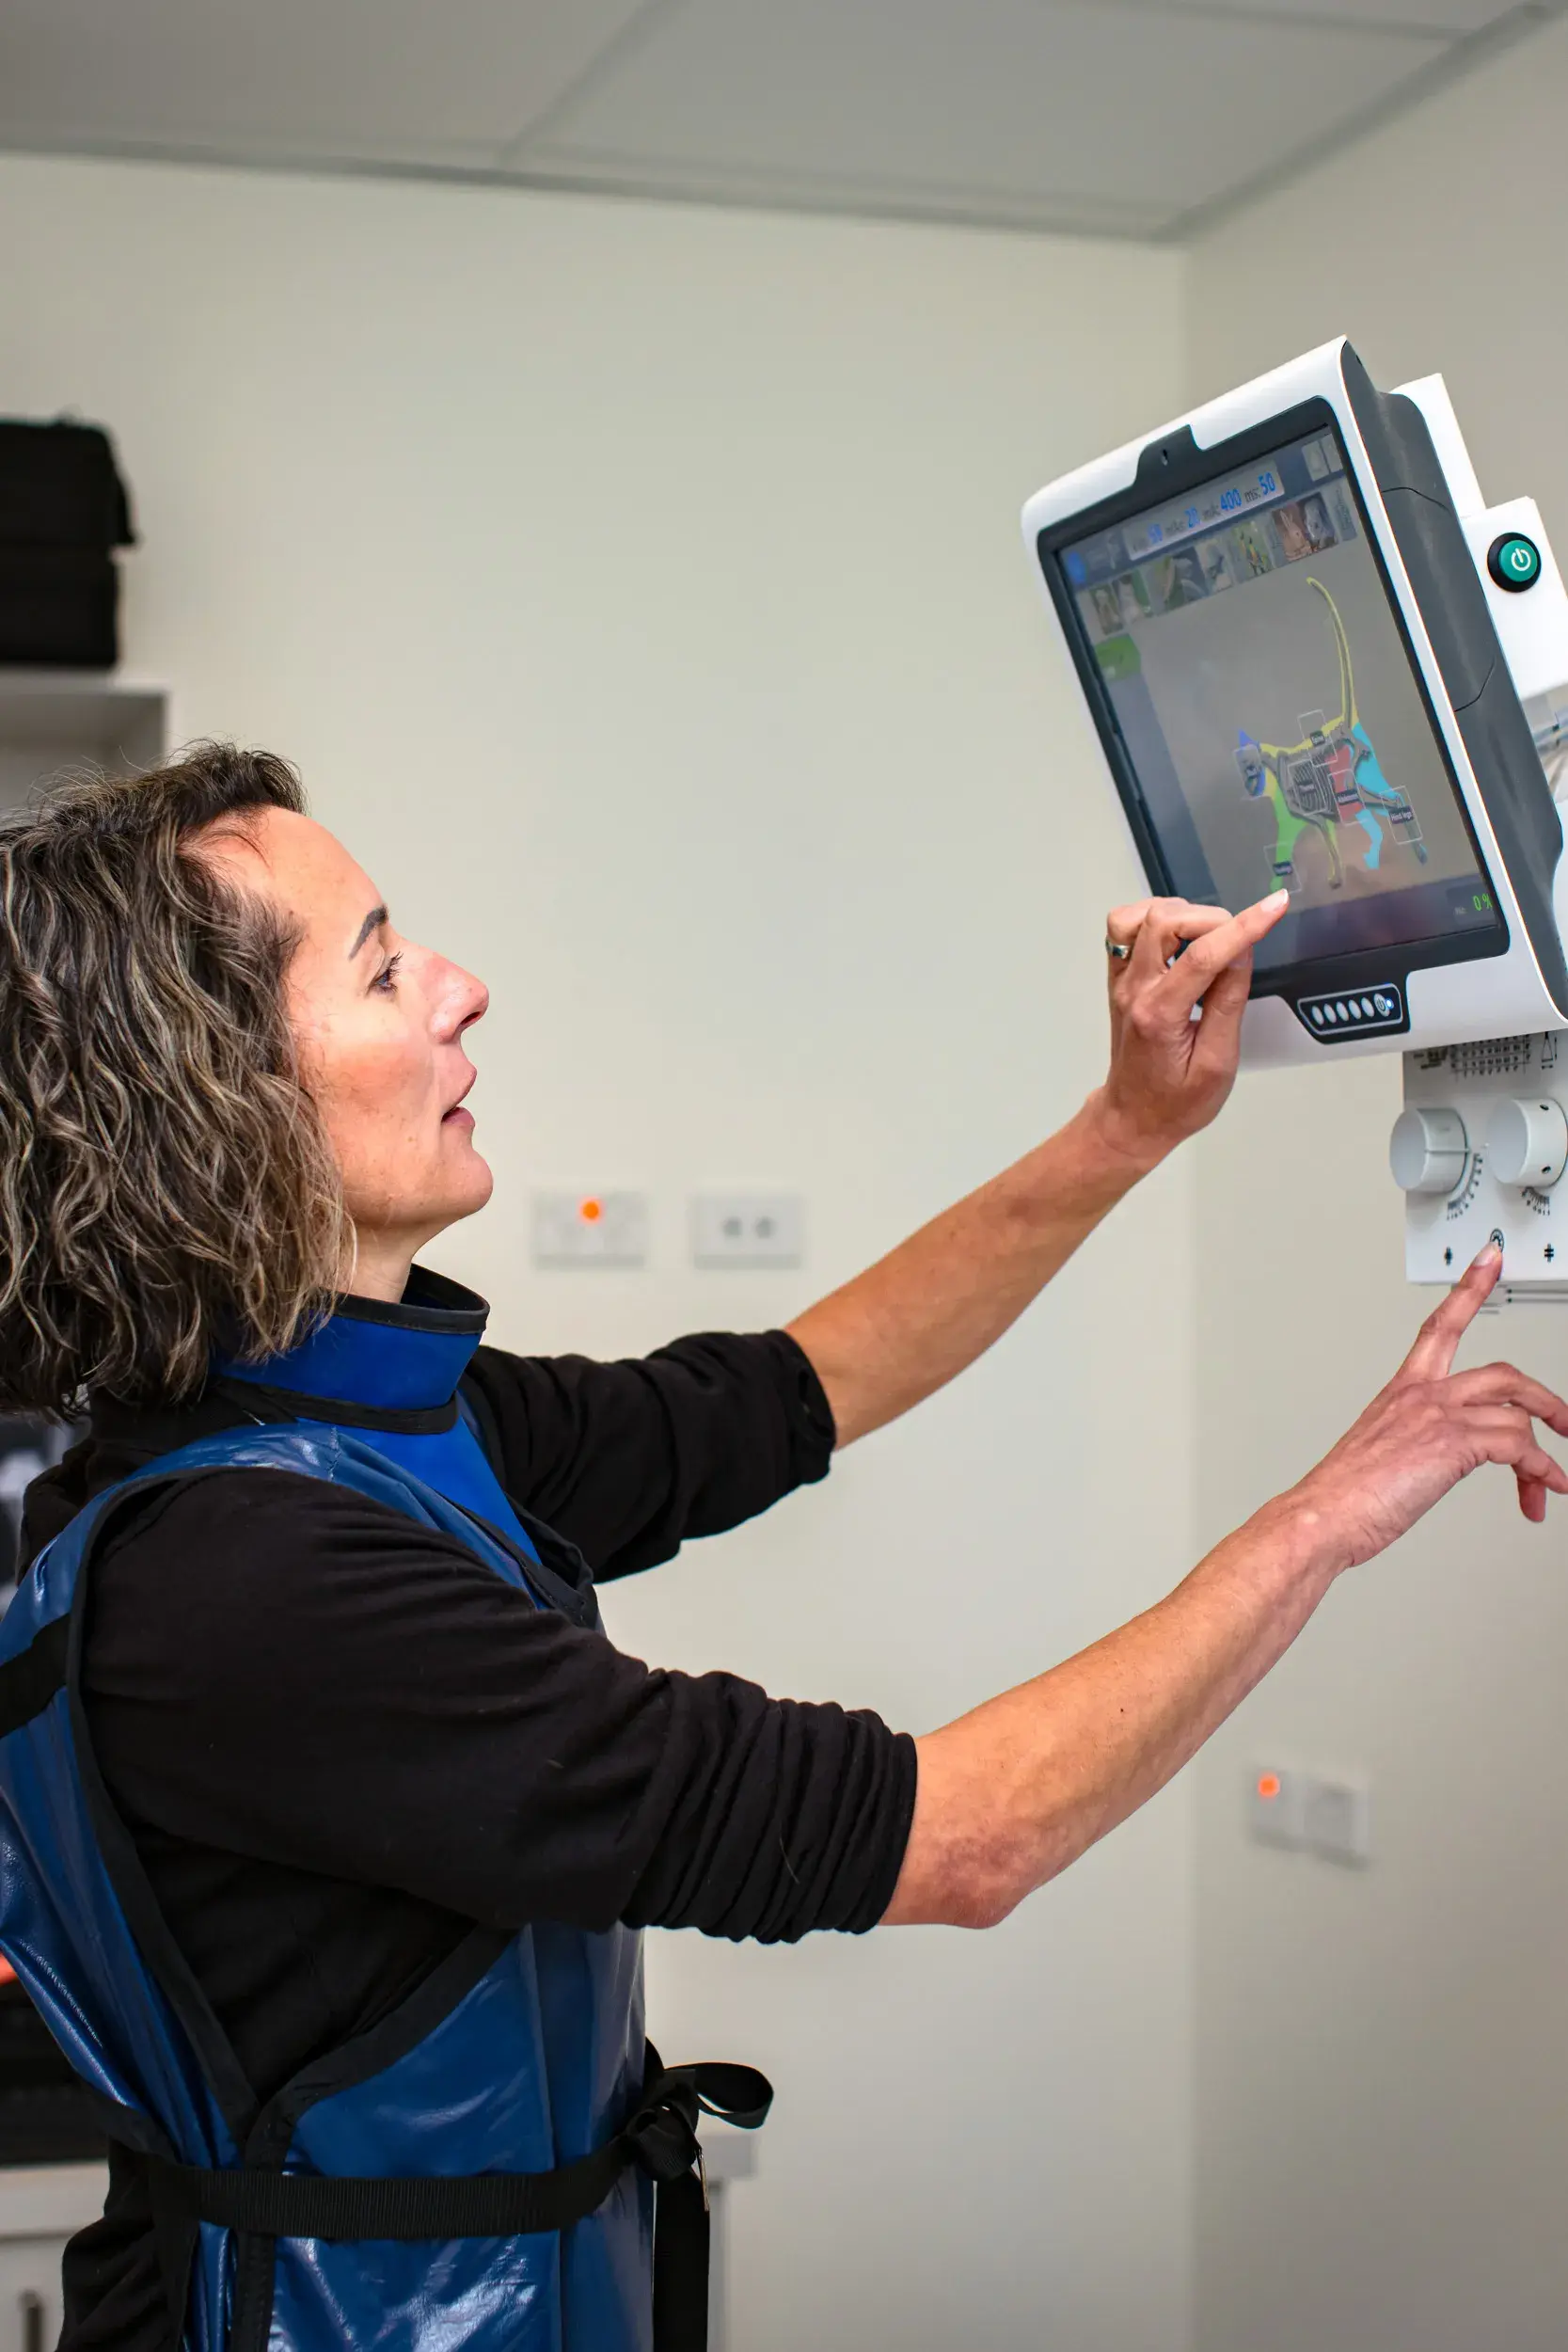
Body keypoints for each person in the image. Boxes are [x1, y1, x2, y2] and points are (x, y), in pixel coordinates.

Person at [0, 745, 1560, 2352]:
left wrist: (1123, 1126)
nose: (461, 991)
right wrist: (1328, 1512)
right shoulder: (258, 1585)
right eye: (385, 967)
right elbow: (966, 1838)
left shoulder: (354, 1432)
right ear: (220, 1107)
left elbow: (800, 1387)